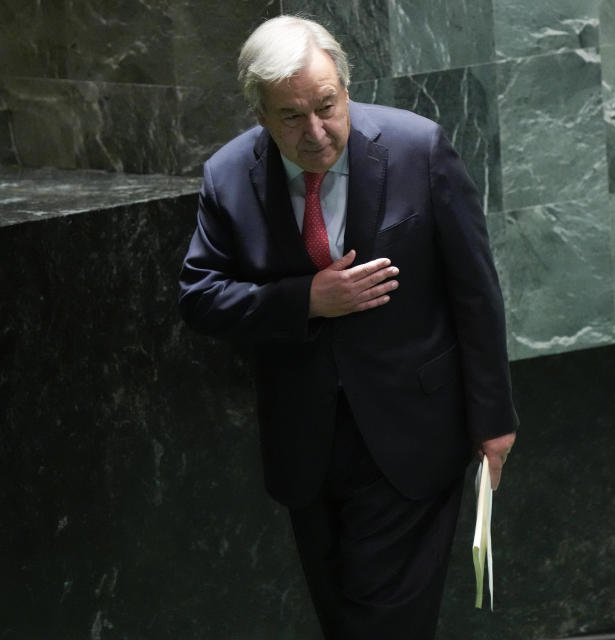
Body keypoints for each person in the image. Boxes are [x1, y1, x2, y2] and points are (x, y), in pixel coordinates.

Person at [178, 15, 518, 640]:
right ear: (259, 114)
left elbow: (476, 290)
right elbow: (199, 297)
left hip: (412, 437)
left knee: (381, 623)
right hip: (305, 445)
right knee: (342, 618)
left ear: (345, 87)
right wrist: (305, 299)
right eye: (291, 116)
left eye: (327, 106)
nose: (315, 132)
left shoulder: (419, 150)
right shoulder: (227, 177)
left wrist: (494, 418)